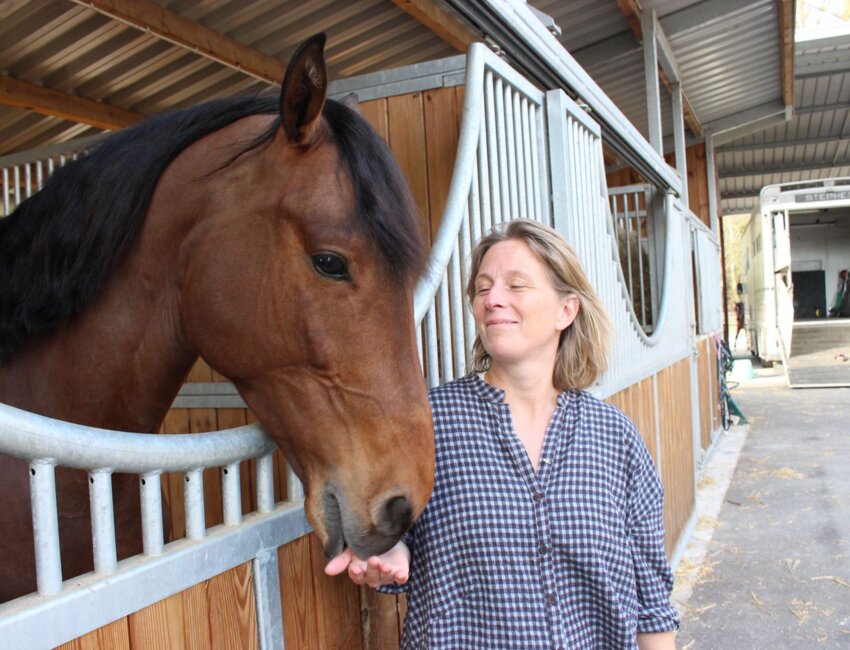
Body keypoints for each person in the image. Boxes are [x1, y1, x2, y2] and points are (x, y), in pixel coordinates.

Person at [326, 219, 680, 648]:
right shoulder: (427, 423)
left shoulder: (614, 437)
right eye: (482, 287)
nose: (492, 300)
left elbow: (651, 598)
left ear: (566, 310)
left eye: (516, 286)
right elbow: (382, 528)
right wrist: (390, 549)